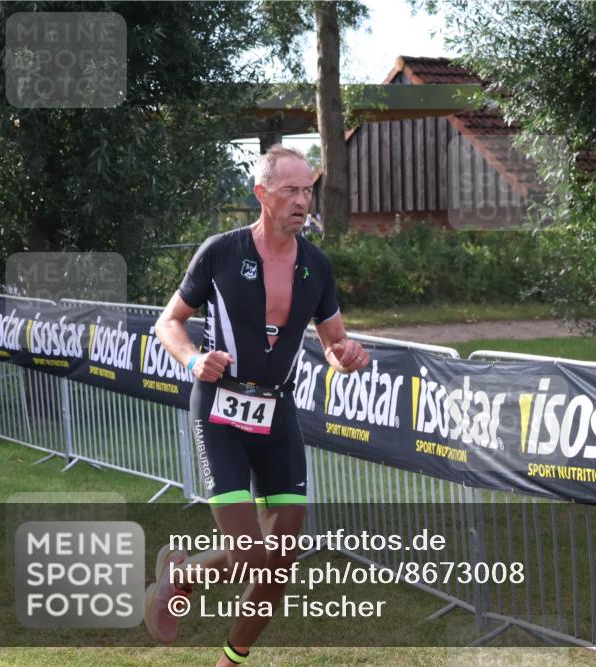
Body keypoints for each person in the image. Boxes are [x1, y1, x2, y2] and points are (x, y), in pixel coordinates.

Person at [149, 144, 370, 666]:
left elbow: (334, 345)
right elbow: (168, 322)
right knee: (251, 555)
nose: (301, 200)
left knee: (280, 562)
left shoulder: (316, 265)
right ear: (262, 194)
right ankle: (180, 577)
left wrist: (348, 356)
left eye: (307, 190)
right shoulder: (220, 252)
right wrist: (192, 359)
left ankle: (230, 658)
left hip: (277, 414)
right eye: (290, 190)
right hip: (219, 413)